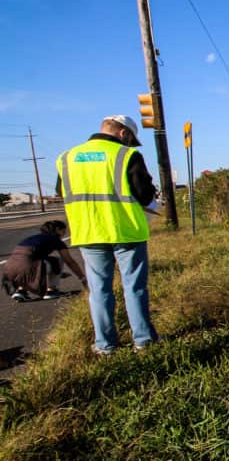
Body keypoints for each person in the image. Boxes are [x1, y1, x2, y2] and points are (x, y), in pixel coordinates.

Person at [56, 115, 161, 355]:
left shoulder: (66, 158)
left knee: (99, 290)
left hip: (88, 232)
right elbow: (145, 195)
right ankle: (143, 341)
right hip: (125, 231)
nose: (130, 145)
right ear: (123, 134)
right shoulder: (126, 156)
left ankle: (105, 345)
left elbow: (61, 192)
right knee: (134, 288)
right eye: (131, 140)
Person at [2, 220, 87, 302]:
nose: (64, 234)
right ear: (57, 229)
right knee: (58, 260)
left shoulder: (33, 238)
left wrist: (59, 273)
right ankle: (51, 290)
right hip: (28, 267)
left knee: (32, 264)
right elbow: (69, 261)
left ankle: (21, 291)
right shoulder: (55, 239)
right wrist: (82, 278)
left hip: (9, 269)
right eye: (63, 231)